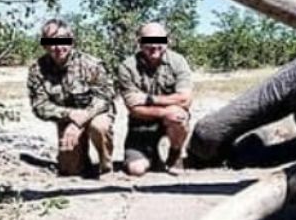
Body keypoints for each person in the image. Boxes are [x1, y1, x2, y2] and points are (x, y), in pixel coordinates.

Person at [27, 19, 116, 176]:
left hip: (95, 113)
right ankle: (81, 161)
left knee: (99, 127)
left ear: (71, 41)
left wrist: (80, 120)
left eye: (63, 41)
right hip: (66, 118)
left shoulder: (91, 64)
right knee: (70, 169)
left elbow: (105, 96)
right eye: (52, 42)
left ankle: (106, 166)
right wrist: (70, 115)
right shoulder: (37, 70)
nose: (58, 47)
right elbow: (39, 106)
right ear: (44, 45)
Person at [117, 22, 193, 175]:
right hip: (141, 126)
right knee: (136, 170)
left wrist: (149, 99)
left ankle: (175, 154)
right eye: (148, 40)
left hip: (171, 121)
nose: (154, 45)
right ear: (139, 42)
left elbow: (185, 99)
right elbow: (134, 108)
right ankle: (152, 156)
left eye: (159, 40)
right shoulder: (127, 67)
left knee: (178, 115)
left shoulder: (178, 61)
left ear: (167, 41)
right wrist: (165, 111)